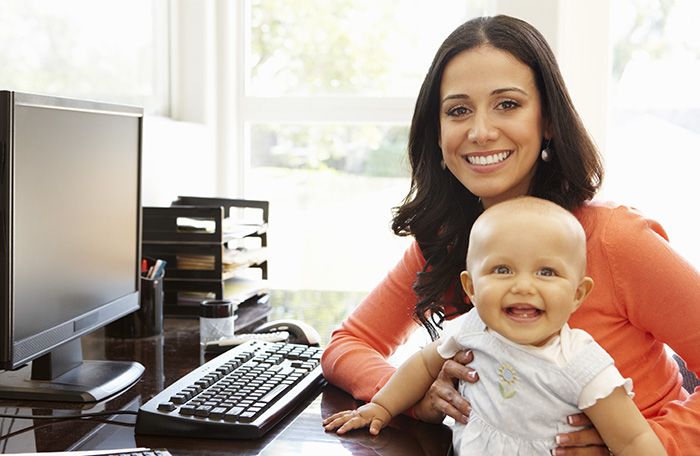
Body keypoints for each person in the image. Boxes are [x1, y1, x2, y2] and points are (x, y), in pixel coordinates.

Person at [320, 14, 700, 455]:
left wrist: (652, 443)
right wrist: (416, 396)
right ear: (438, 134)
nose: (480, 132)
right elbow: (347, 345)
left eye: (507, 104)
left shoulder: (614, 240)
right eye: (458, 110)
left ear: (549, 122)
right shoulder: (448, 242)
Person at [324, 197, 667, 456]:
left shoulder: (581, 364)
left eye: (546, 272)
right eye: (502, 270)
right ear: (471, 288)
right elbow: (425, 364)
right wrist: (383, 406)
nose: (523, 286)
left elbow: (634, 439)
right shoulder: (474, 328)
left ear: (578, 295)